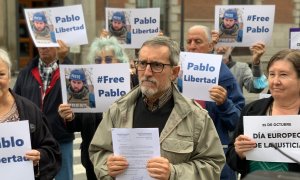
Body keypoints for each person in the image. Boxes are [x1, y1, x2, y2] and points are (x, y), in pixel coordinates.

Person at [89, 36, 225, 180]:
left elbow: (213, 164)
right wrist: (107, 166)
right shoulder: (117, 110)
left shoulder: (196, 116)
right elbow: (99, 150)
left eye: (156, 65)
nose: (147, 72)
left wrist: (173, 173)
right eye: (142, 63)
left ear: (174, 72)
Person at [58, 36, 133, 180]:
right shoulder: (87, 89)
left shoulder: (132, 84)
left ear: (120, 61)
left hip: (125, 161)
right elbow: (77, 124)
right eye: (98, 60)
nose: (103, 64)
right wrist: (70, 117)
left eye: (109, 59)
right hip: (94, 163)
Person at [183, 25, 245, 180]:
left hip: (216, 158)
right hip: (184, 156)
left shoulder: (224, 76)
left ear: (211, 45)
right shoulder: (177, 74)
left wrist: (224, 103)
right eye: (188, 41)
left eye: (198, 41)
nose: (192, 46)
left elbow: (238, 122)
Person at [226, 49, 300, 178]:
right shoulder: (252, 110)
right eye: (272, 74)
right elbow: (232, 159)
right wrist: (239, 153)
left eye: (283, 75)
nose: (275, 81)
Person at [13, 40, 74, 180]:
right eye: (40, 43)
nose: (42, 48)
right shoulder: (26, 72)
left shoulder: (68, 69)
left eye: (47, 44)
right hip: (33, 142)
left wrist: (64, 59)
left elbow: (79, 86)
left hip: (61, 139)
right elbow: (16, 103)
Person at [0, 48, 61, 179]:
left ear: (10, 76)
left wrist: (39, 156)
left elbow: (52, 151)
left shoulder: (30, 110)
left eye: (1, 74)